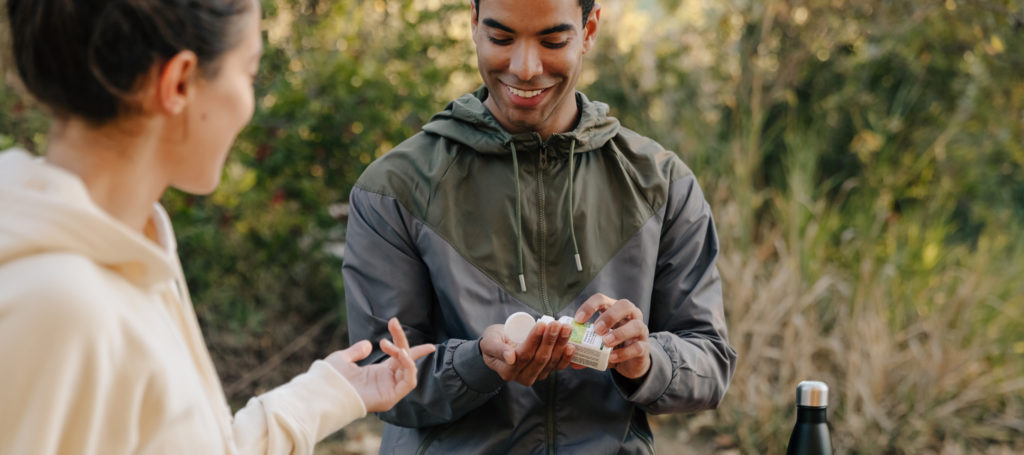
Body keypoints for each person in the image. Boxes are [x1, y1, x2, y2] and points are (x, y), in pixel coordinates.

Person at [0, 0, 434, 453]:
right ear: (179, 83)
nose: (250, 104)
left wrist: (331, 393)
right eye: (248, 73)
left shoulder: (132, 250)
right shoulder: (59, 307)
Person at [342, 0, 739, 452]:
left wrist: (646, 359)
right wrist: (476, 363)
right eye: (500, 38)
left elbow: (711, 362)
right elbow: (378, 376)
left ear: (589, 30)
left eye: (552, 41)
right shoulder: (394, 188)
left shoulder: (661, 184)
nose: (525, 68)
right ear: (474, 25)